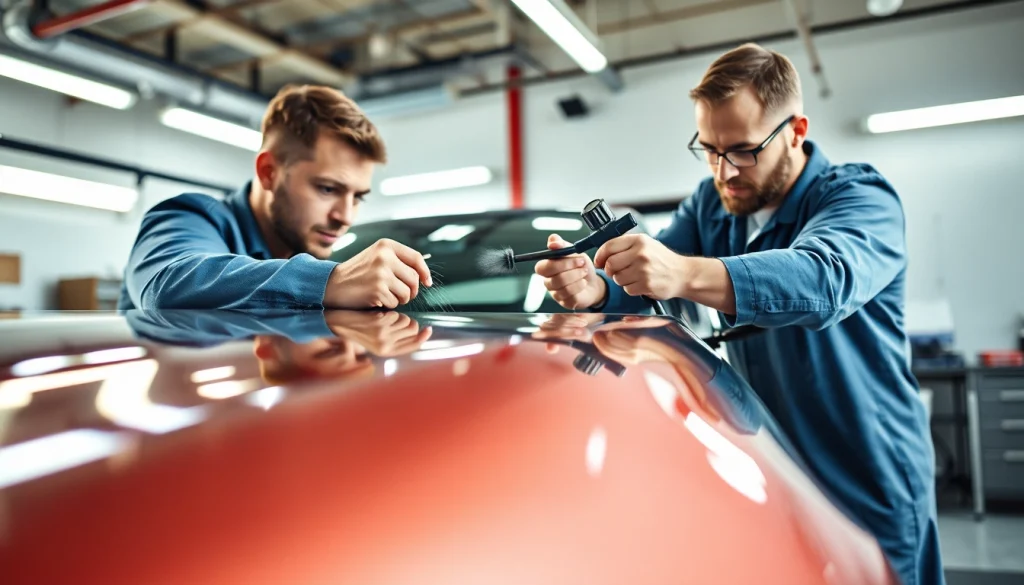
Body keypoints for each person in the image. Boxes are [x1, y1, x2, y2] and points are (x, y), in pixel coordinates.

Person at [536, 43, 943, 585]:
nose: (724, 170)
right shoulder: (712, 204)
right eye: (708, 149)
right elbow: (645, 283)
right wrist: (595, 290)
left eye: (743, 150)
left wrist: (682, 272)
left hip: (867, 475)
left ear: (796, 131)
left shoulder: (860, 198)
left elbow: (824, 279)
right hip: (780, 469)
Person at [118, 85, 432, 311]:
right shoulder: (189, 216)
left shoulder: (304, 253)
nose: (345, 216)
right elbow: (166, 286)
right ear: (268, 172)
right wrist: (329, 281)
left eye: (358, 197)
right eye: (327, 189)